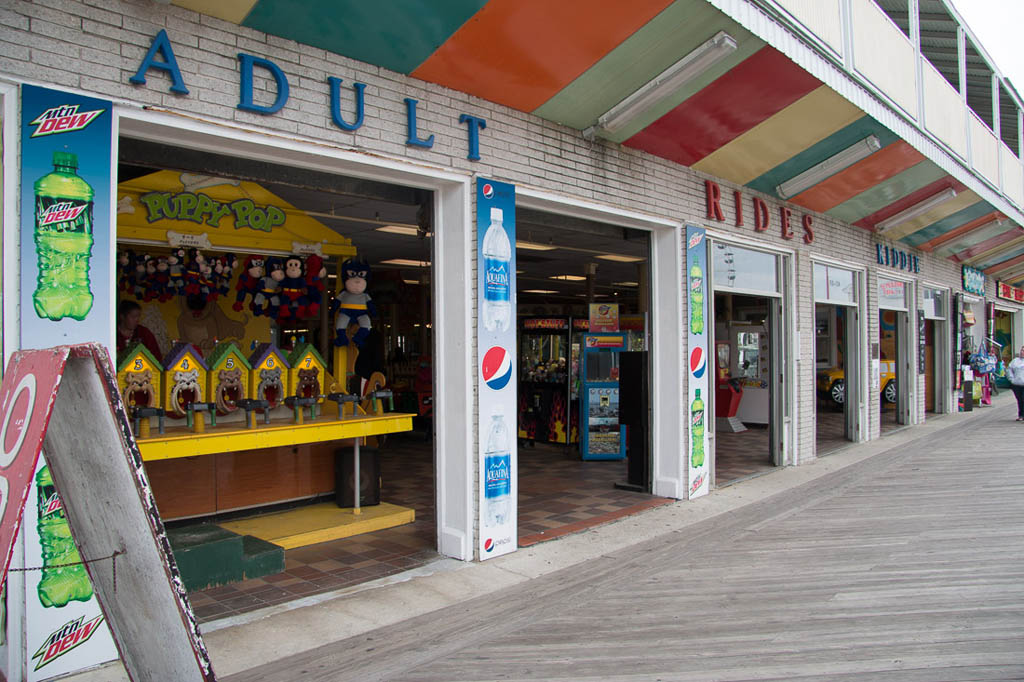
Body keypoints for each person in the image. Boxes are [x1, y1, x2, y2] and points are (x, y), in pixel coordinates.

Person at [1006, 345, 1024, 422]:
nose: (1022, 352)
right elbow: (1009, 370)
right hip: (1017, 384)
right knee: (1019, 399)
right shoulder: (1015, 361)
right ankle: (1021, 415)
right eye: (1021, 350)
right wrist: (1011, 379)